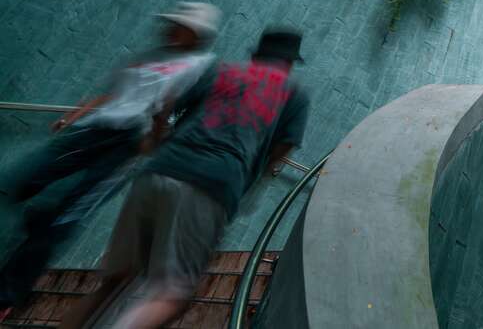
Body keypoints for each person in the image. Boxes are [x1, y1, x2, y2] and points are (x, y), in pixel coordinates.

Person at [62, 28, 310, 329]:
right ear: (289, 63)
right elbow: (283, 146)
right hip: (211, 184)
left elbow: (164, 106)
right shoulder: (294, 93)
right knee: (171, 295)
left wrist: (156, 141)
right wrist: (258, 172)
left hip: (159, 169)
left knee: (112, 282)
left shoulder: (221, 70)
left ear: (256, 54)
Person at [0, 3, 219, 319]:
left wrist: (155, 139)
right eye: (171, 22)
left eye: (179, 25)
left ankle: (8, 292)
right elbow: (115, 94)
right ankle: (33, 229)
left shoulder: (202, 67)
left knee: (63, 214)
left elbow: (188, 117)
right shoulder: (150, 55)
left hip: (128, 144)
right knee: (21, 180)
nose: (169, 28)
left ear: (197, 33)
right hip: (93, 130)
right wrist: (80, 113)